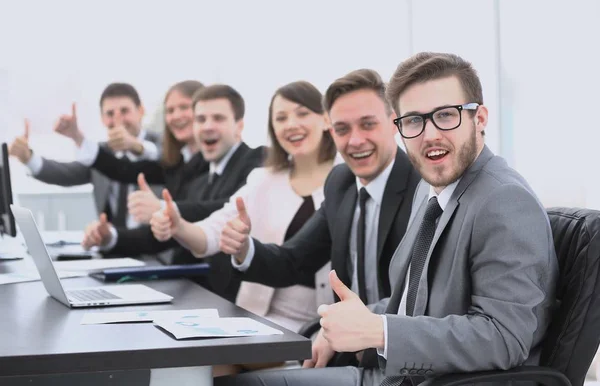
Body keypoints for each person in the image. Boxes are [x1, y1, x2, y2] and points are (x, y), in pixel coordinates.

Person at [215, 52, 559, 386]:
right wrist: (346, 323)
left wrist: (378, 331)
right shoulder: (434, 188)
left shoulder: (503, 200)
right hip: (397, 373)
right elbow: (411, 297)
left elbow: (505, 338)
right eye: (414, 120)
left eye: (446, 115)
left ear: (479, 118)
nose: (429, 134)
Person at [218, 69, 420, 367]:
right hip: (343, 343)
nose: (355, 140)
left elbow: (418, 298)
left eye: (368, 124)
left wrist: (339, 329)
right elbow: (294, 260)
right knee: (218, 363)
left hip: (398, 349)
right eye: (342, 129)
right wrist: (244, 249)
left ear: (394, 122)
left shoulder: (421, 187)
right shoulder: (341, 183)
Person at [150, 81, 338, 334]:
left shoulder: (346, 181)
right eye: (280, 118)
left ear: (326, 119)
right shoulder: (263, 179)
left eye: (302, 113)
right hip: (257, 318)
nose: (291, 124)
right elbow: (212, 234)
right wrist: (178, 225)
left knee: (212, 365)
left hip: (322, 326)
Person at [82, 84, 265, 302]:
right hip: (190, 292)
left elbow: (229, 207)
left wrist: (164, 209)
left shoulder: (257, 161)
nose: (207, 127)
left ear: (239, 126)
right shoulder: (199, 173)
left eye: (218, 118)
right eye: (201, 119)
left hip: (226, 299)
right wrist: (110, 236)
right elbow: (169, 235)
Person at [8, 83, 162, 229]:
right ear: (102, 118)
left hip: (156, 252)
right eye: (110, 113)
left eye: (124, 111)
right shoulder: (100, 154)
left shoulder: (165, 146)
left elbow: (164, 160)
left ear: (141, 111)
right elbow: (65, 173)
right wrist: (28, 158)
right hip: (112, 249)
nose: (118, 119)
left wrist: (136, 146)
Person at [65, 80, 208, 225]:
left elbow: (213, 210)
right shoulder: (180, 161)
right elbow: (121, 170)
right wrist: (78, 138)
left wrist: (163, 208)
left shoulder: (206, 161)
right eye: (170, 110)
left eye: (184, 107)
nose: (176, 116)